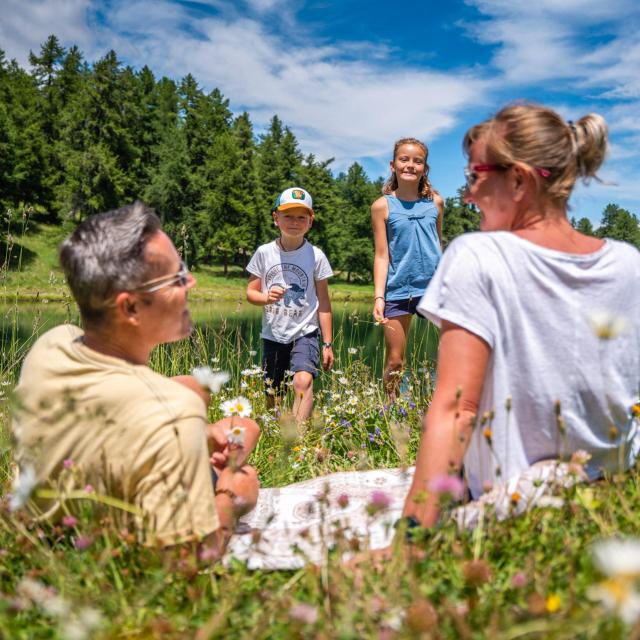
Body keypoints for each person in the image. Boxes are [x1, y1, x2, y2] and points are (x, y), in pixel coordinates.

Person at [402, 103, 640, 530]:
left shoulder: (477, 255)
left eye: (475, 176)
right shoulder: (629, 264)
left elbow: (457, 410)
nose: (468, 194)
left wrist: (410, 540)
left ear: (518, 179)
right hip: (616, 503)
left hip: (515, 515)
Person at [11, 202, 260, 556]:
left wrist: (198, 433)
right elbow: (185, 564)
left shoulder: (53, 342)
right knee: (241, 447)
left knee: (229, 414)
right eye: (177, 278)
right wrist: (231, 498)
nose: (192, 282)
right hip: (112, 541)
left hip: (46, 515)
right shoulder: (174, 412)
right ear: (129, 307)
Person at [246, 187, 334, 424]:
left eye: (301, 217)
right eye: (288, 216)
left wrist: (327, 343)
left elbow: (324, 303)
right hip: (273, 334)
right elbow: (250, 293)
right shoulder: (264, 253)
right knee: (273, 392)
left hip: (305, 332)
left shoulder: (316, 256)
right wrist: (266, 297)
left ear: (310, 221)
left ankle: (298, 443)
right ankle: (275, 433)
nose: (295, 222)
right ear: (276, 218)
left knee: (303, 381)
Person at [371, 138, 444, 396]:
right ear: (393, 165)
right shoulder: (381, 206)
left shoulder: (435, 202)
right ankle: (390, 415)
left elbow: (438, 243)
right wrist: (379, 296)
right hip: (398, 289)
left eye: (417, 161)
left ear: (424, 168)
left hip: (434, 290)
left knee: (453, 352)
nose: (410, 165)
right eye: (404, 159)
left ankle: (446, 408)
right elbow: (382, 255)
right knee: (395, 362)